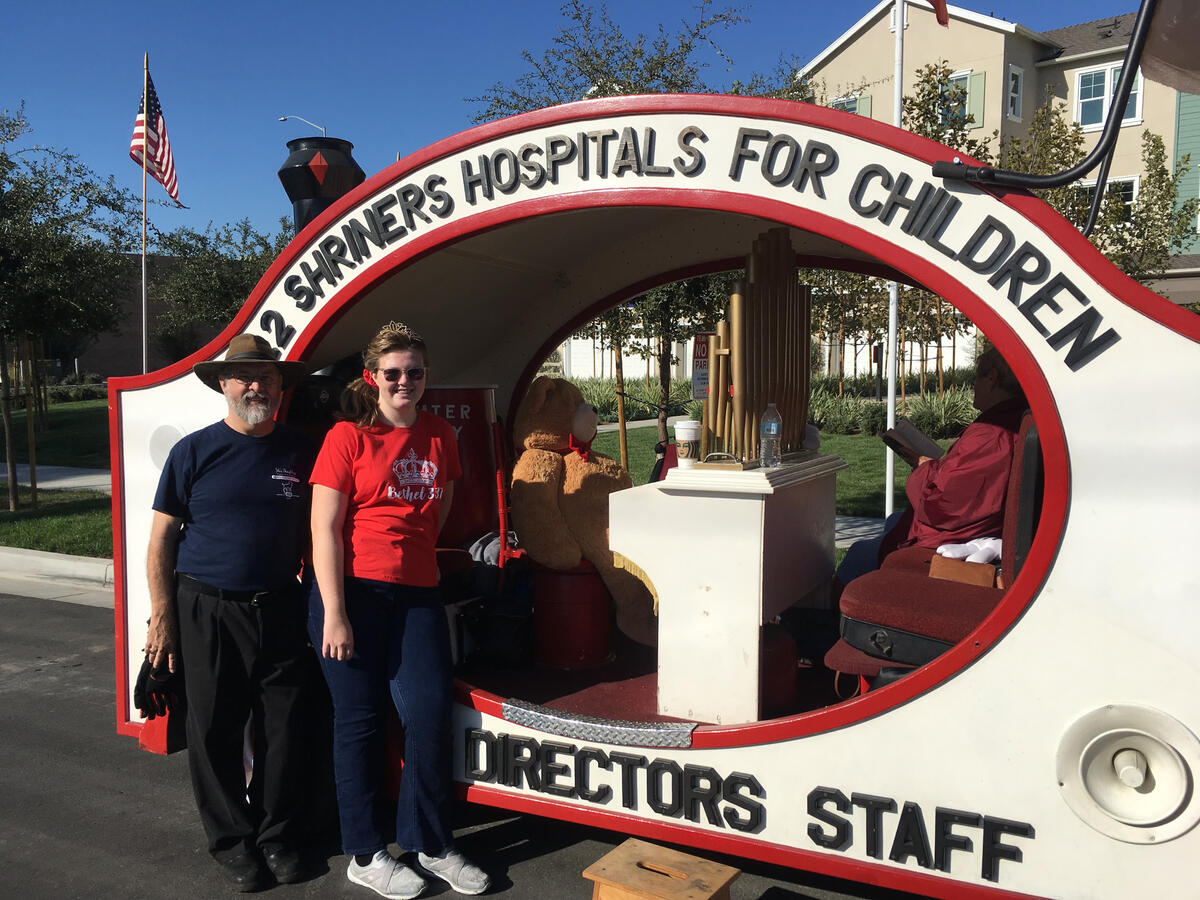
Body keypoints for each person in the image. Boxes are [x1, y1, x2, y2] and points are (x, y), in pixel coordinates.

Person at [307, 322, 489, 899]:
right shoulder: (347, 437)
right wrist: (335, 611)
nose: (404, 381)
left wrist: (414, 566)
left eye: (415, 372)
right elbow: (324, 528)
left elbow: (437, 513)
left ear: (426, 377)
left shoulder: (440, 436)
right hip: (351, 592)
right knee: (358, 723)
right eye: (393, 373)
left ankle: (431, 843)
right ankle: (364, 852)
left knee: (430, 713)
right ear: (373, 378)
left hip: (416, 593)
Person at [143, 333, 316, 891]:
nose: (255, 385)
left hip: (281, 607)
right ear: (223, 384)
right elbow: (160, 541)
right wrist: (162, 617)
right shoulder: (193, 451)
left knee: (284, 731)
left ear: (280, 386)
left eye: (266, 377)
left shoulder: (302, 450)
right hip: (206, 608)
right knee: (214, 729)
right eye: (244, 377)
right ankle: (232, 843)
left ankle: (276, 837)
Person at [836, 347, 1026, 584]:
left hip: (955, 535)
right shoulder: (1008, 421)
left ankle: (832, 616)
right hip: (972, 526)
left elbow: (942, 507)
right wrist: (936, 467)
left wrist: (923, 467)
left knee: (857, 554)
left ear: (992, 377)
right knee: (893, 520)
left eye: (976, 376)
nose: (974, 385)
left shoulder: (992, 435)